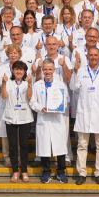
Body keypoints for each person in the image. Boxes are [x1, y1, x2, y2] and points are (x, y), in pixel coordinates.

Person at [71, 47, 99, 185]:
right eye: (91, 55)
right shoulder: (82, 70)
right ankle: (82, 173)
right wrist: (75, 71)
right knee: (82, 145)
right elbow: (74, 87)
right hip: (84, 113)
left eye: (96, 55)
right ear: (87, 56)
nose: (93, 57)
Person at [35, 36, 73, 165]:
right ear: (45, 45)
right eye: (49, 44)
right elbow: (37, 80)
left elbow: (69, 79)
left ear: (58, 45)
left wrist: (64, 66)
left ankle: (65, 157)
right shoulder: (40, 59)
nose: (51, 46)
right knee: (43, 134)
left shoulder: (65, 58)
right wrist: (38, 68)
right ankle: (40, 157)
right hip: (44, 100)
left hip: (60, 101)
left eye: (54, 44)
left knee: (63, 131)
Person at [30, 58, 69, 183]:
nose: (47, 72)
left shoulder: (61, 84)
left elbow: (65, 101)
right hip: (43, 119)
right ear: (42, 69)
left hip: (57, 120)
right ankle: (46, 172)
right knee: (44, 147)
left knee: (60, 147)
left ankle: (61, 172)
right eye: (45, 69)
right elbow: (32, 102)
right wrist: (41, 108)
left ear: (54, 70)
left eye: (50, 69)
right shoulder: (37, 85)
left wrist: (60, 108)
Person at [0, 44, 27, 167]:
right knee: (6, 132)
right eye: (10, 53)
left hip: (20, 104)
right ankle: (7, 156)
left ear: (19, 54)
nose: (13, 55)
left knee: (20, 132)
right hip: (6, 103)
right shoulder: (2, 68)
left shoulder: (23, 66)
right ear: (7, 55)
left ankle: (19, 156)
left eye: (15, 53)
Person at [1, 61, 34, 182]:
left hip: (25, 117)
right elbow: (4, 96)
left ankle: (24, 170)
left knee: (24, 145)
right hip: (11, 116)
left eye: (21, 70)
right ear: (13, 71)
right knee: (13, 145)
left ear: (25, 71)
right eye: (16, 69)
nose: (19, 71)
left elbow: (29, 97)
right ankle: (15, 171)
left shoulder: (27, 83)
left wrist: (30, 84)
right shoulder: (8, 83)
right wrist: (4, 83)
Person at [70, 28, 99, 125]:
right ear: (85, 37)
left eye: (94, 37)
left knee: (97, 128)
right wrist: (76, 67)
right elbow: (73, 73)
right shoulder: (76, 51)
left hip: (98, 94)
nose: (92, 39)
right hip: (81, 94)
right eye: (90, 36)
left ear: (98, 38)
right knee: (81, 130)